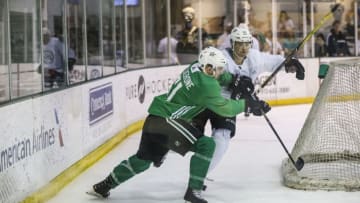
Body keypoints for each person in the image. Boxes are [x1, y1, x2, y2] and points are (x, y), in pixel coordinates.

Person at [86, 47, 268, 203]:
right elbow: (226, 108)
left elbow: (218, 76)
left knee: (142, 161)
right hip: (168, 121)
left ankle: (105, 185)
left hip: (155, 117)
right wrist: (248, 105)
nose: (220, 72)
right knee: (207, 145)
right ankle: (193, 191)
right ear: (209, 68)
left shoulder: (195, 67)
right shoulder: (207, 86)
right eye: (219, 69)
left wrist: (233, 79)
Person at [191, 26, 305, 181]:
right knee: (191, 137)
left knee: (222, 139)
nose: (244, 47)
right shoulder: (221, 57)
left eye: (247, 43)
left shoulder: (254, 57)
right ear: (232, 43)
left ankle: (199, 176)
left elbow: (273, 61)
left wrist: (289, 63)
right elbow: (200, 71)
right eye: (239, 43)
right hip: (206, 100)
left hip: (226, 105)